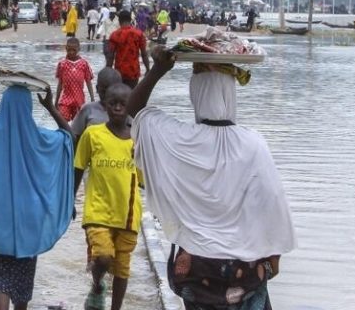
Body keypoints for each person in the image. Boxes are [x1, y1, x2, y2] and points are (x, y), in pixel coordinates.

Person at [126, 47, 297, 310]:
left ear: (195, 93)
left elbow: (134, 109)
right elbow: (271, 201)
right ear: (231, 95)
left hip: (195, 267)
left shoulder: (176, 138)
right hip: (245, 268)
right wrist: (274, 255)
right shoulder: (252, 143)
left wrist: (158, 69)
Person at [0, 85, 74, 310]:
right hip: (31, 219)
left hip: (2, 221)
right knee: (24, 278)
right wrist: (50, 107)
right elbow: (69, 136)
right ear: (28, 108)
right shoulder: (41, 139)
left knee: (1, 276)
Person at [73, 83, 142, 310]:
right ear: (106, 105)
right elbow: (79, 167)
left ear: (130, 106)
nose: (118, 108)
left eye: (124, 104)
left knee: (122, 268)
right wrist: (70, 200)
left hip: (127, 214)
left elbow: (144, 180)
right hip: (98, 211)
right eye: (113, 103)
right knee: (103, 257)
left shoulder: (137, 141)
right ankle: (96, 283)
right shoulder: (93, 134)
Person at [70, 67, 123, 145]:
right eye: (104, 91)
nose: (108, 96)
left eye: (112, 92)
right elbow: (74, 137)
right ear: (97, 89)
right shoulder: (88, 110)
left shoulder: (124, 112)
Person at [105, 10, 149, 88]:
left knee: (120, 96)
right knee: (132, 96)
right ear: (130, 20)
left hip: (119, 72)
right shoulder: (139, 34)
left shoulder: (114, 35)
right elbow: (144, 54)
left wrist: (108, 71)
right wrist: (148, 69)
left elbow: (110, 56)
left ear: (119, 21)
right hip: (134, 71)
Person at [55, 38, 95, 121]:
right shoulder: (62, 64)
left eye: (74, 50)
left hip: (79, 100)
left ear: (79, 49)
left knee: (78, 125)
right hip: (65, 100)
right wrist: (56, 100)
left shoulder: (83, 64)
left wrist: (92, 99)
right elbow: (60, 84)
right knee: (62, 121)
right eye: (69, 50)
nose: (71, 52)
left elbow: (88, 82)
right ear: (66, 48)